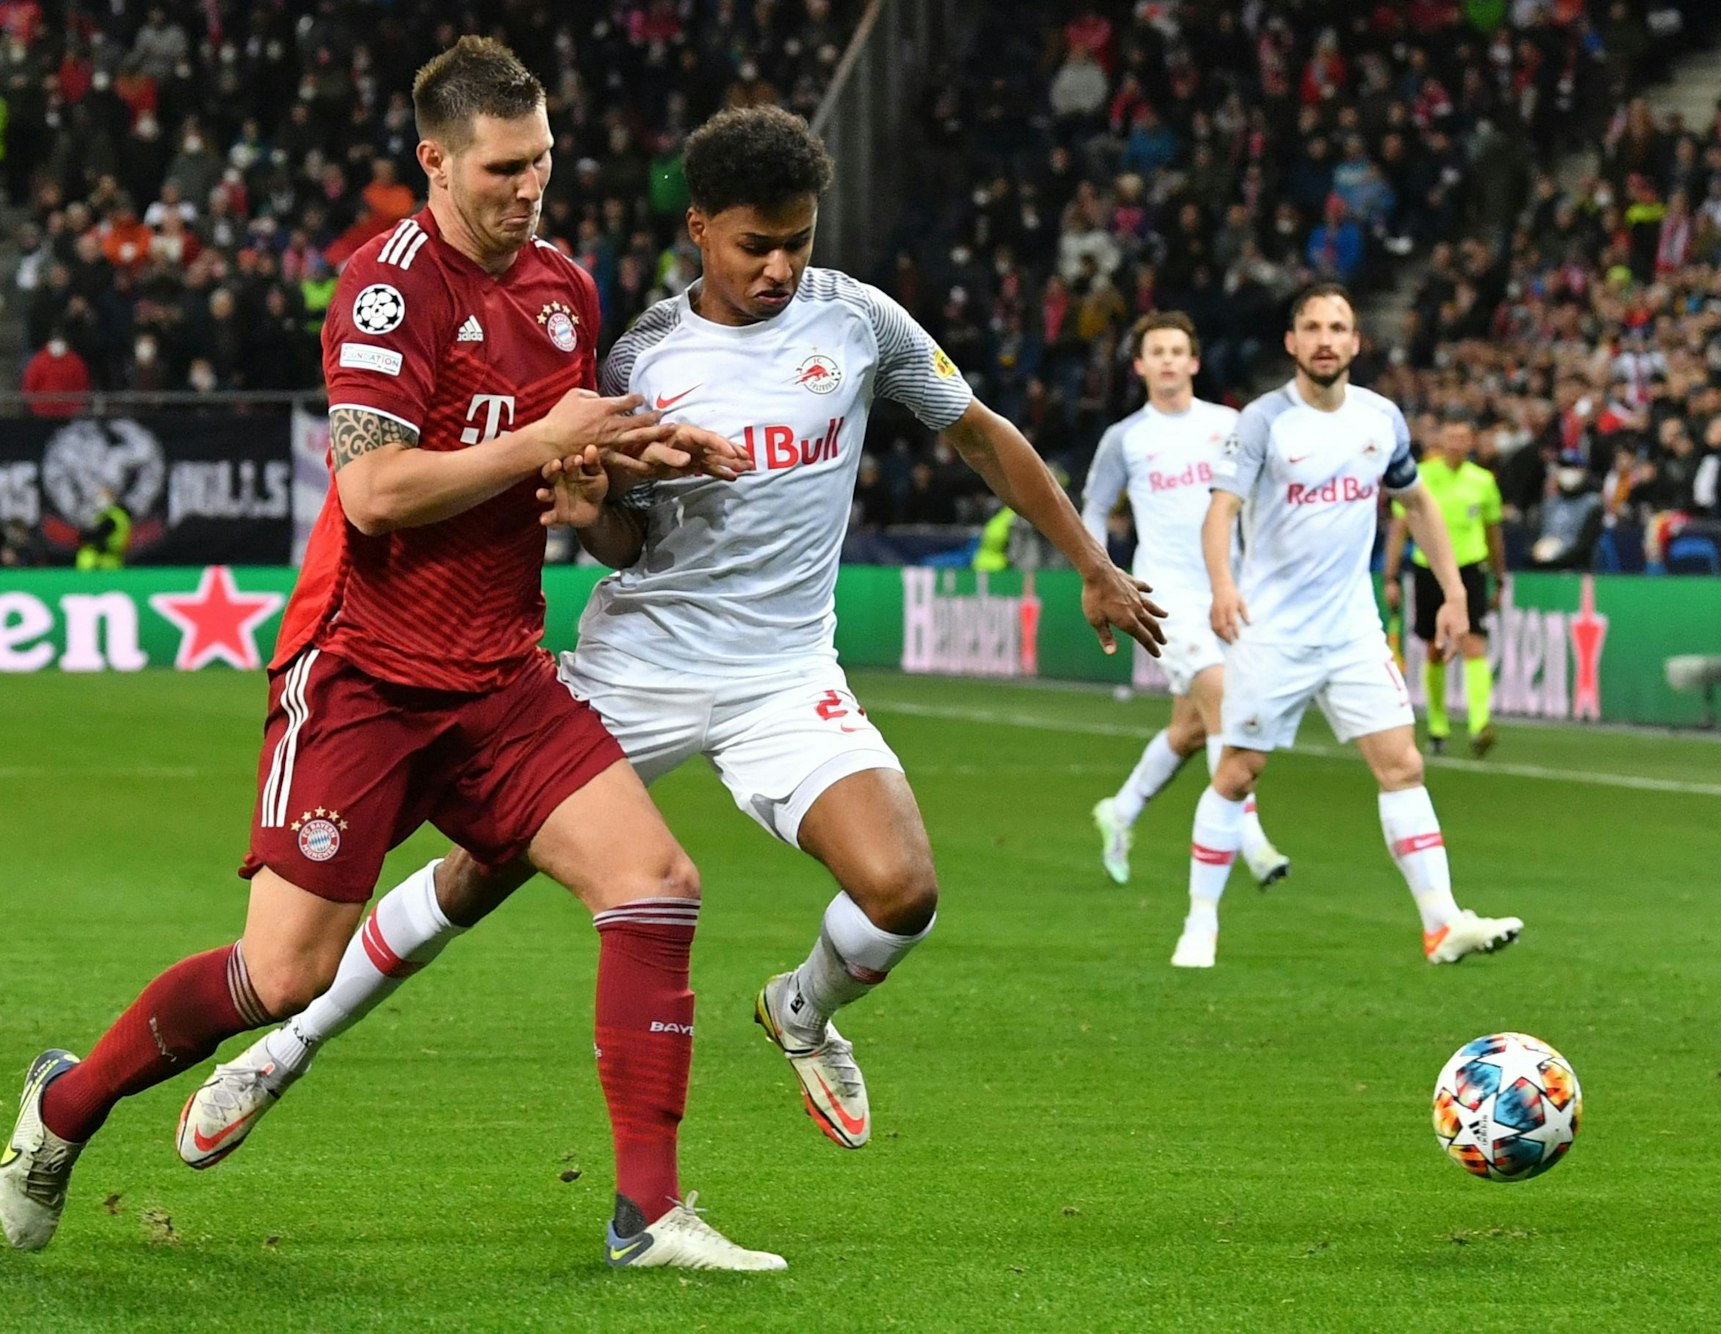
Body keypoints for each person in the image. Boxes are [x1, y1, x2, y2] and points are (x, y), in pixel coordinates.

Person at [172, 105, 1164, 1198]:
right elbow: (612, 533)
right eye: (756, 244)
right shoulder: (641, 351)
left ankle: (802, 1007)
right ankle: (286, 1043)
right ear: (700, 228)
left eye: (800, 240)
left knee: (904, 891)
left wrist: (1092, 561)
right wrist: (597, 503)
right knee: (473, 876)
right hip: (636, 663)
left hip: (784, 675)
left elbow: (981, 430)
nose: (782, 266)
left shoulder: (863, 324)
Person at [2, 37, 783, 1273]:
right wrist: (541, 443)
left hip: (501, 678)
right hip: (363, 672)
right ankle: (62, 1106)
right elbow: (373, 489)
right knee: (279, 974)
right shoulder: (387, 288)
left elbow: (549, 462)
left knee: (656, 884)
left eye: (543, 161)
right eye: (503, 165)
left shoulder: (564, 291)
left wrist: (633, 458)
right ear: (435, 158)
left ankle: (647, 1213)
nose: (529, 186)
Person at [1178, 283, 1523, 969]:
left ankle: (1440, 923)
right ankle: (1200, 923)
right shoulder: (1262, 422)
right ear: (1292, 342)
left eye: (1338, 326)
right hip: (1269, 631)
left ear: (1356, 341)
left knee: (1403, 765)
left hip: (1352, 631)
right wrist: (1221, 585)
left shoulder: (1380, 418)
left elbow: (1416, 502)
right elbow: (1220, 511)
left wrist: (1454, 591)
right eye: (1312, 327)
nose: (1326, 339)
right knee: (1239, 772)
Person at [1082, 310, 1289, 896]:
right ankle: (1252, 841)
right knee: (1225, 698)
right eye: (1158, 351)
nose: (1169, 360)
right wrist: (1100, 573)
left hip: (1231, 590)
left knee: (1191, 730)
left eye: (1179, 350)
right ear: (1141, 365)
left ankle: (1119, 811)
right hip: (1164, 598)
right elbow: (1094, 508)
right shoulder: (1126, 438)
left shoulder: (1232, 424)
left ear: (1194, 362)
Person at [1382, 410, 1507, 757]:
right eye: (1450, 437)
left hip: (1469, 568)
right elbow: (1400, 527)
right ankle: (1437, 724)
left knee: (1473, 643)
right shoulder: (1420, 476)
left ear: (1471, 442)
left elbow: (1493, 532)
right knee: (1434, 648)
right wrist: (1390, 576)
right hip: (1428, 569)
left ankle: (1479, 723)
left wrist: (1500, 575)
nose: (1456, 444)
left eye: (1462, 437)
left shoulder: (1482, 481)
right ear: (1441, 441)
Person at [74, 487, 131, 571]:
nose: (100, 500)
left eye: (105, 497)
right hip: (92, 562)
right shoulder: (100, 515)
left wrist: (85, 535)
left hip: (104, 562)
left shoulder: (115, 516)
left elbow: (97, 535)